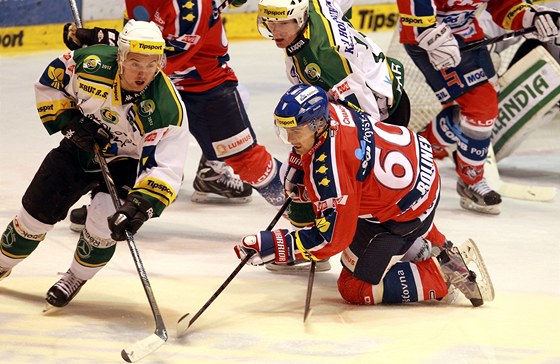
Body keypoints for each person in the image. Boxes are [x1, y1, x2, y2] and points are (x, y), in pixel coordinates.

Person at [234, 84, 495, 306]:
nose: (290, 139)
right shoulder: (333, 110)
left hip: (410, 206)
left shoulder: (330, 173)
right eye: (285, 130)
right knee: (370, 198)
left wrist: (276, 245)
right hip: (417, 160)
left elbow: (332, 241)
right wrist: (298, 163)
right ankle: (438, 246)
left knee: (353, 288)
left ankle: (442, 276)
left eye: (295, 131)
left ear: (316, 124)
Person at [0, 20, 189, 309]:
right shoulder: (91, 64)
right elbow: (52, 82)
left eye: (153, 64)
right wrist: (72, 124)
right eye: (136, 62)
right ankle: (2, 262)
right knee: (34, 216)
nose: (144, 72)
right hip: (78, 151)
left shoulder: (166, 108)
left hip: (128, 164)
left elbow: (166, 167)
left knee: (105, 219)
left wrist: (142, 203)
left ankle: (75, 277)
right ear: (121, 56)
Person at [62, 0, 286, 230]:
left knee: (245, 159)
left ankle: (304, 211)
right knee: (125, 145)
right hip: (148, 82)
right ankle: (111, 206)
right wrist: (101, 42)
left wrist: (104, 42)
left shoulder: (190, 7)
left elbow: (156, 60)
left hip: (202, 87)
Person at [395, 0, 560, 214]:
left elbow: (504, 5)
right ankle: (470, 180)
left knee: (482, 109)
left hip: (467, 33)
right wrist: (425, 30)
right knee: (481, 106)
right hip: (428, 36)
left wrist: (532, 17)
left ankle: (419, 152)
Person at [252, 0, 410, 127]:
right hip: (380, 78)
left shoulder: (323, 59)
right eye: (270, 22)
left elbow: (368, 116)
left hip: (387, 113)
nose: (275, 31)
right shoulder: (313, 5)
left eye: (283, 24)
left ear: (300, 18)